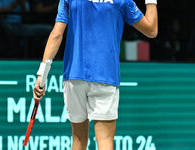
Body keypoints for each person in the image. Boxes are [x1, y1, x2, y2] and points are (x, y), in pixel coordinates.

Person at [33, 0, 158, 149]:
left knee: (78, 140)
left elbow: (56, 34)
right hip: (105, 76)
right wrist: (151, 2)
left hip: (74, 77)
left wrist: (42, 75)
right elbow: (151, 30)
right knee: (105, 141)